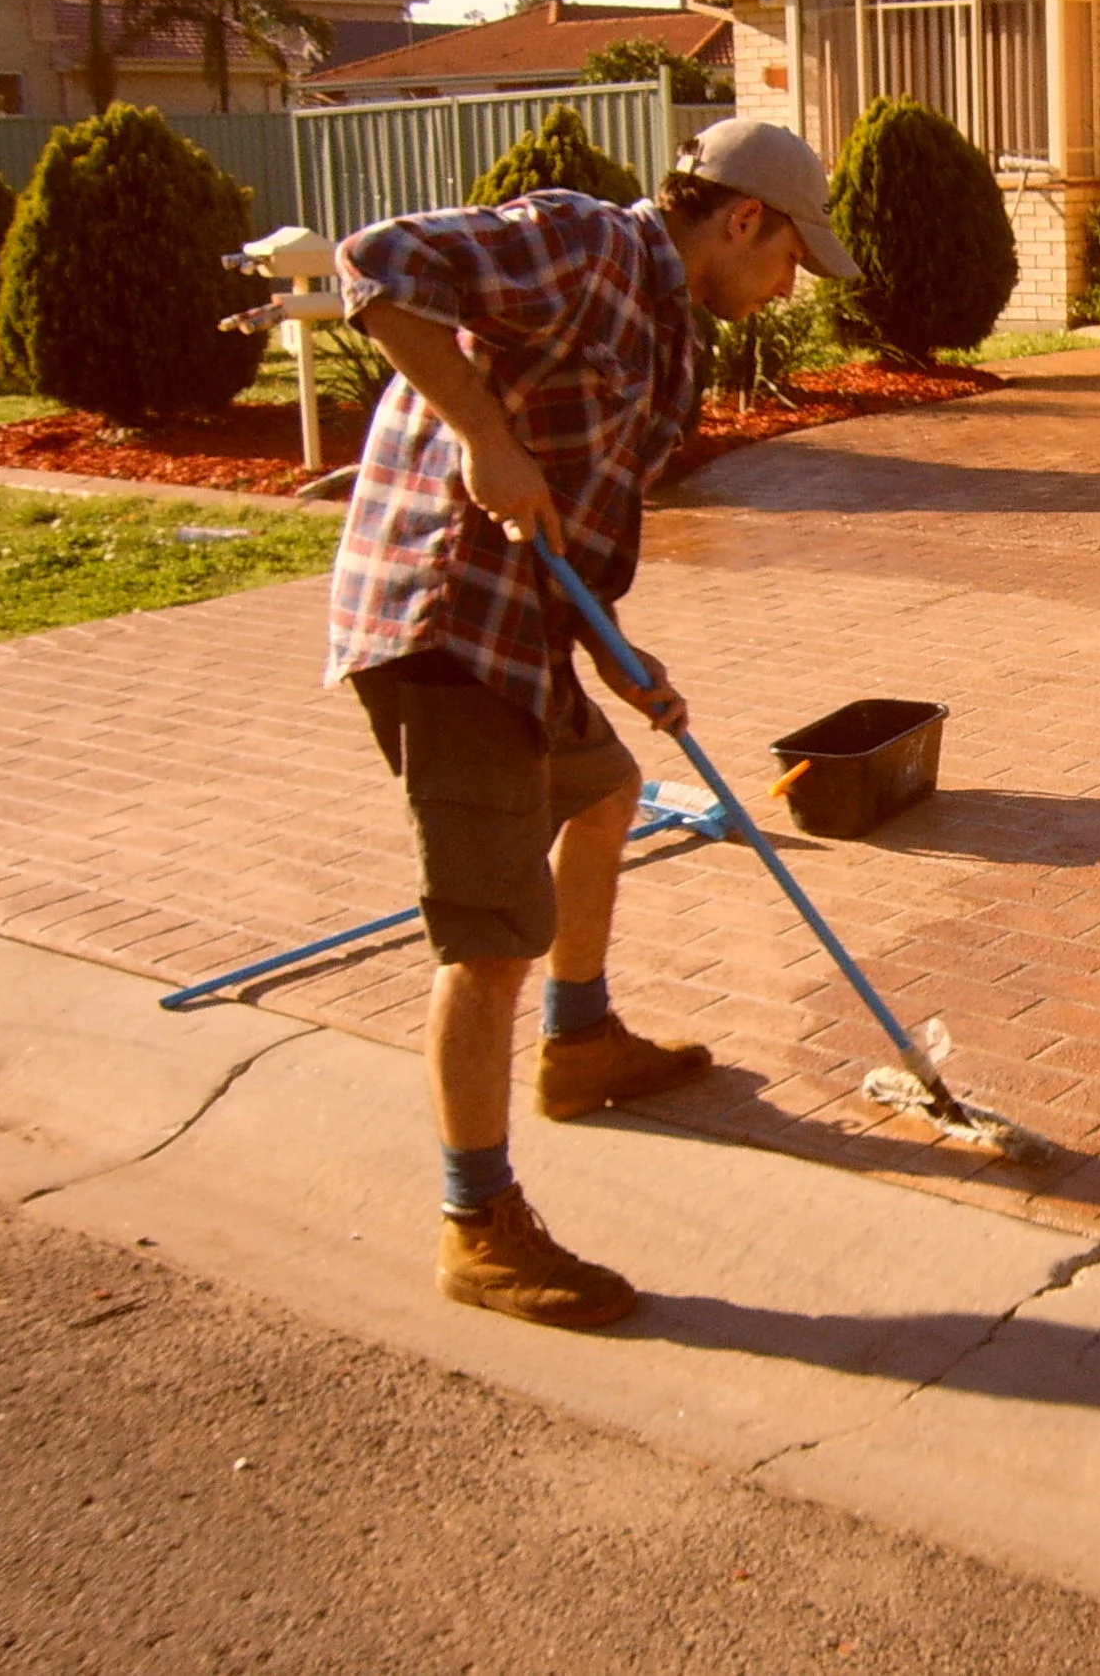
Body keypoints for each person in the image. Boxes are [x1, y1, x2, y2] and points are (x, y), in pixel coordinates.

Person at [325, 121, 860, 1328]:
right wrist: (480, 434)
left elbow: (582, 511)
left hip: (528, 625)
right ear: (741, 219)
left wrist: (616, 656)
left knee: (608, 787)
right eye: (789, 259)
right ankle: (479, 1227)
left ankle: (581, 1043)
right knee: (489, 937)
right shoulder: (583, 242)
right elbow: (376, 263)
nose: (786, 288)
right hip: (444, 625)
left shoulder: (667, 333)